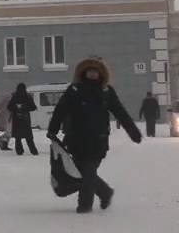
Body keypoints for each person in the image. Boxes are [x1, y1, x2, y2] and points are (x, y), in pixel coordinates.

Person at [46, 57, 142, 214]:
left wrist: (133, 132)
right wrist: (53, 129)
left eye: (96, 71)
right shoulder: (74, 90)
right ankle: (105, 192)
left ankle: (85, 206)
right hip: (75, 140)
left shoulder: (106, 92)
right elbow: (60, 110)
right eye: (89, 71)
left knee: (88, 172)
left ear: (101, 74)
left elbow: (120, 112)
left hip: (97, 141)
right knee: (82, 172)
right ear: (83, 73)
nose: (92, 74)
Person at [6, 82, 40, 155]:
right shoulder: (27, 96)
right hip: (25, 119)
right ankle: (33, 151)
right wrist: (24, 108)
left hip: (17, 119)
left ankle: (19, 151)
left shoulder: (15, 96)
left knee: (18, 137)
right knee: (28, 137)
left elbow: (9, 107)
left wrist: (17, 108)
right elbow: (33, 107)